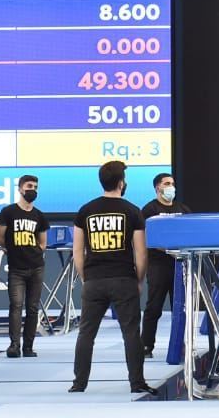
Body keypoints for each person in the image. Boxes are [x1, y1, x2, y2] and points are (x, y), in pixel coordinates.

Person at [70, 160, 156, 395]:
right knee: (130, 332)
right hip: (123, 279)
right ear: (121, 183)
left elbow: (78, 251)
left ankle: (79, 384)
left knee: (86, 332)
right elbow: (141, 252)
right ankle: (136, 382)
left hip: (94, 279)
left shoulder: (85, 211)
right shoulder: (132, 211)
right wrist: (138, 280)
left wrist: (85, 277)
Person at [0, 174, 49, 358]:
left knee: (33, 308)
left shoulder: (39, 216)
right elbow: (0, 237)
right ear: (20, 189)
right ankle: (14, 345)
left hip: (36, 268)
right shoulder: (8, 212)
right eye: (29, 186)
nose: (32, 189)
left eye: (35, 186)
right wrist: (10, 250)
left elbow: (43, 243)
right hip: (16, 269)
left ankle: (28, 347)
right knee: (16, 306)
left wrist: (33, 253)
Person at [140, 172, 191, 358]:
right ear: (158, 188)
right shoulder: (148, 210)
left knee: (181, 309)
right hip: (158, 266)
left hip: (180, 266)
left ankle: (181, 345)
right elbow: (145, 238)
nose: (171, 187)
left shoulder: (183, 209)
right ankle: (146, 346)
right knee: (154, 308)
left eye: (172, 183)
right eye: (167, 183)